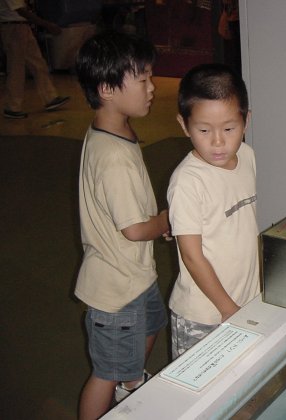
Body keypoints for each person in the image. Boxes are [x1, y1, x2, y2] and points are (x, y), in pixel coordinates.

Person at [74, 31, 170, 420]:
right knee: (106, 371)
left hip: (135, 274)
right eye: (143, 78)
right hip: (115, 288)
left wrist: (153, 222)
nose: (152, 87)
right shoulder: (113, 157)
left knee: (152, 323)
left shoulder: (114, 128)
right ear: (107, 89)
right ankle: (118, 386)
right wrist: (166, 220)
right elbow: (133, 229)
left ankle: (130, 385)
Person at [167, 63, 260, 359]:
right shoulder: (188, 181)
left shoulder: (247, 155)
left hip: (245, 299)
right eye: (204, 130)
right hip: (204, 314)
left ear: (246, 121)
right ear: (185, 125)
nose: (218, 142)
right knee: (199, 384)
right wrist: (227, 308)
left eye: (229, 129)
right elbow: (192, 256)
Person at [0, 0, 69, 119]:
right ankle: (12, 107)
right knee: (16, 68)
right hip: (13, 27)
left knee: (38, 63)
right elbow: (20, 11)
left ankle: (50, 98)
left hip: (20, 26)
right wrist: (47, 24)